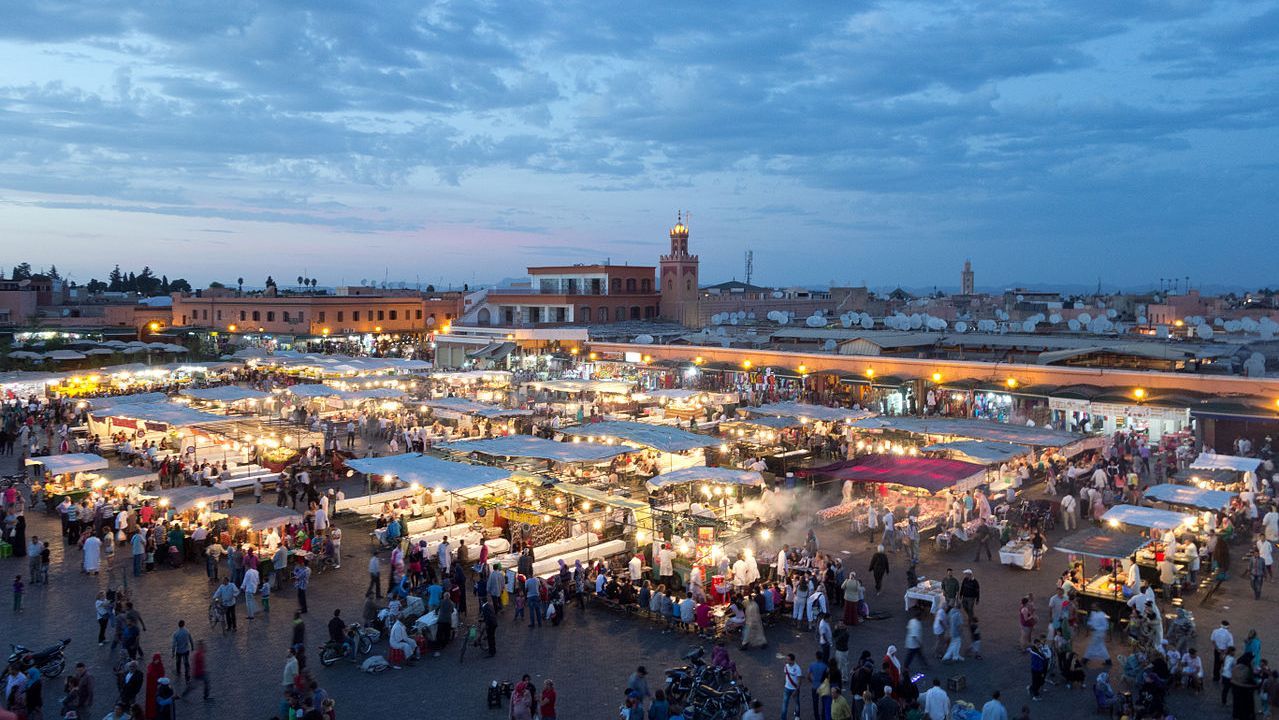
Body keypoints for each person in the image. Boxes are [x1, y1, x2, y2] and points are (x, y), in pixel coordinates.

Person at [781, 653, 803, 720]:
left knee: (797, 703)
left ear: (792, 660)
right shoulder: (786, 666)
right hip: (786, 688)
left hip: (794, 689)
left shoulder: (797, 668)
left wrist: (796, 690)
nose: (787, 661)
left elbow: (799, 681)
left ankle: (797, 716)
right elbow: (786, 675)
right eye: (787, 659)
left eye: (788, 659)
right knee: (784, 705)